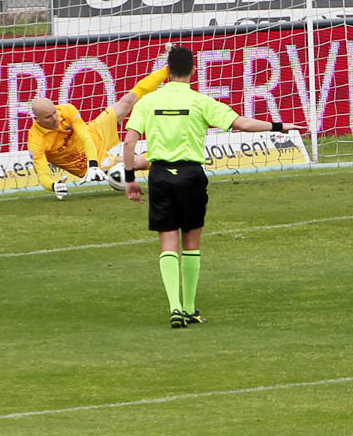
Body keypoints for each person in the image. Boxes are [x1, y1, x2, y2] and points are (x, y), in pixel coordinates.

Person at [123, 46, 302, 329]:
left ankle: (174, 308)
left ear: (166, 71)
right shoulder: (201, 102)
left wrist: (130, 177)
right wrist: (279, 127)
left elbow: (130, 141)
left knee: (167, 243)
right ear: (194, 71)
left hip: (159, 174)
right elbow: (241, 123)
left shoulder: (148, 102)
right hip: (191, 175)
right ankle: (191, 308)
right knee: (191, 243)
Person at [28, 61, 171, 199]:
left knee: (127, 101)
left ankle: (168, 69)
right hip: (86, 163)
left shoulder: (66, 110)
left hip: (95, 135)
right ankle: (172, 155)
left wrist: (93, 164)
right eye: (48, 117)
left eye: (54, 112)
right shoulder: (36, 142)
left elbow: (85, 136)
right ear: (37, 119)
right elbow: (43, 174)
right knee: (137, 163)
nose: (55, 118)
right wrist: (53, 186)